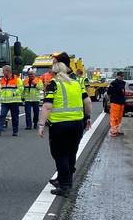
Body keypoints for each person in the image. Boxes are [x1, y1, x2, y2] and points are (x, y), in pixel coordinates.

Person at [38, 53, 92, 197]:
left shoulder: (53, 84)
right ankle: (67, 180)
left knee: (60, 155)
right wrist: (87, 117)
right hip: (77, 124)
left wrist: (41, 125)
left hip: (59, 125)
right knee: (71, 153)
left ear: (54, 72)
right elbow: (87, 102)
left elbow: (47, 106)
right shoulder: (76, 84)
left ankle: (64, 186)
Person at [0, 65, 23, 136]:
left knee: (15, 117)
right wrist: (1, 95)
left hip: (14, 101)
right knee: (2, 115)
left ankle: (15, 131)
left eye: (3, 71)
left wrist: (14, 93)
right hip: (4, 102)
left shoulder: (17, 79)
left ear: (8, 71)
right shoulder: (2, 79)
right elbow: (0, 89)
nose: (2, 73)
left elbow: (21, 88)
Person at [107, 71, 127, 137]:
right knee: (114, 117)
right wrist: (110, 100)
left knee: (119, 118)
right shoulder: (113, 83)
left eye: (123, 76)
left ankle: (117, 130)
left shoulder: (123, 83)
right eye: (121, 76)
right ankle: (113, 131)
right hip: (115, 102)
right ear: (118, 76)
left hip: (121, 103)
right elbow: (108, 93)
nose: (122, 77)